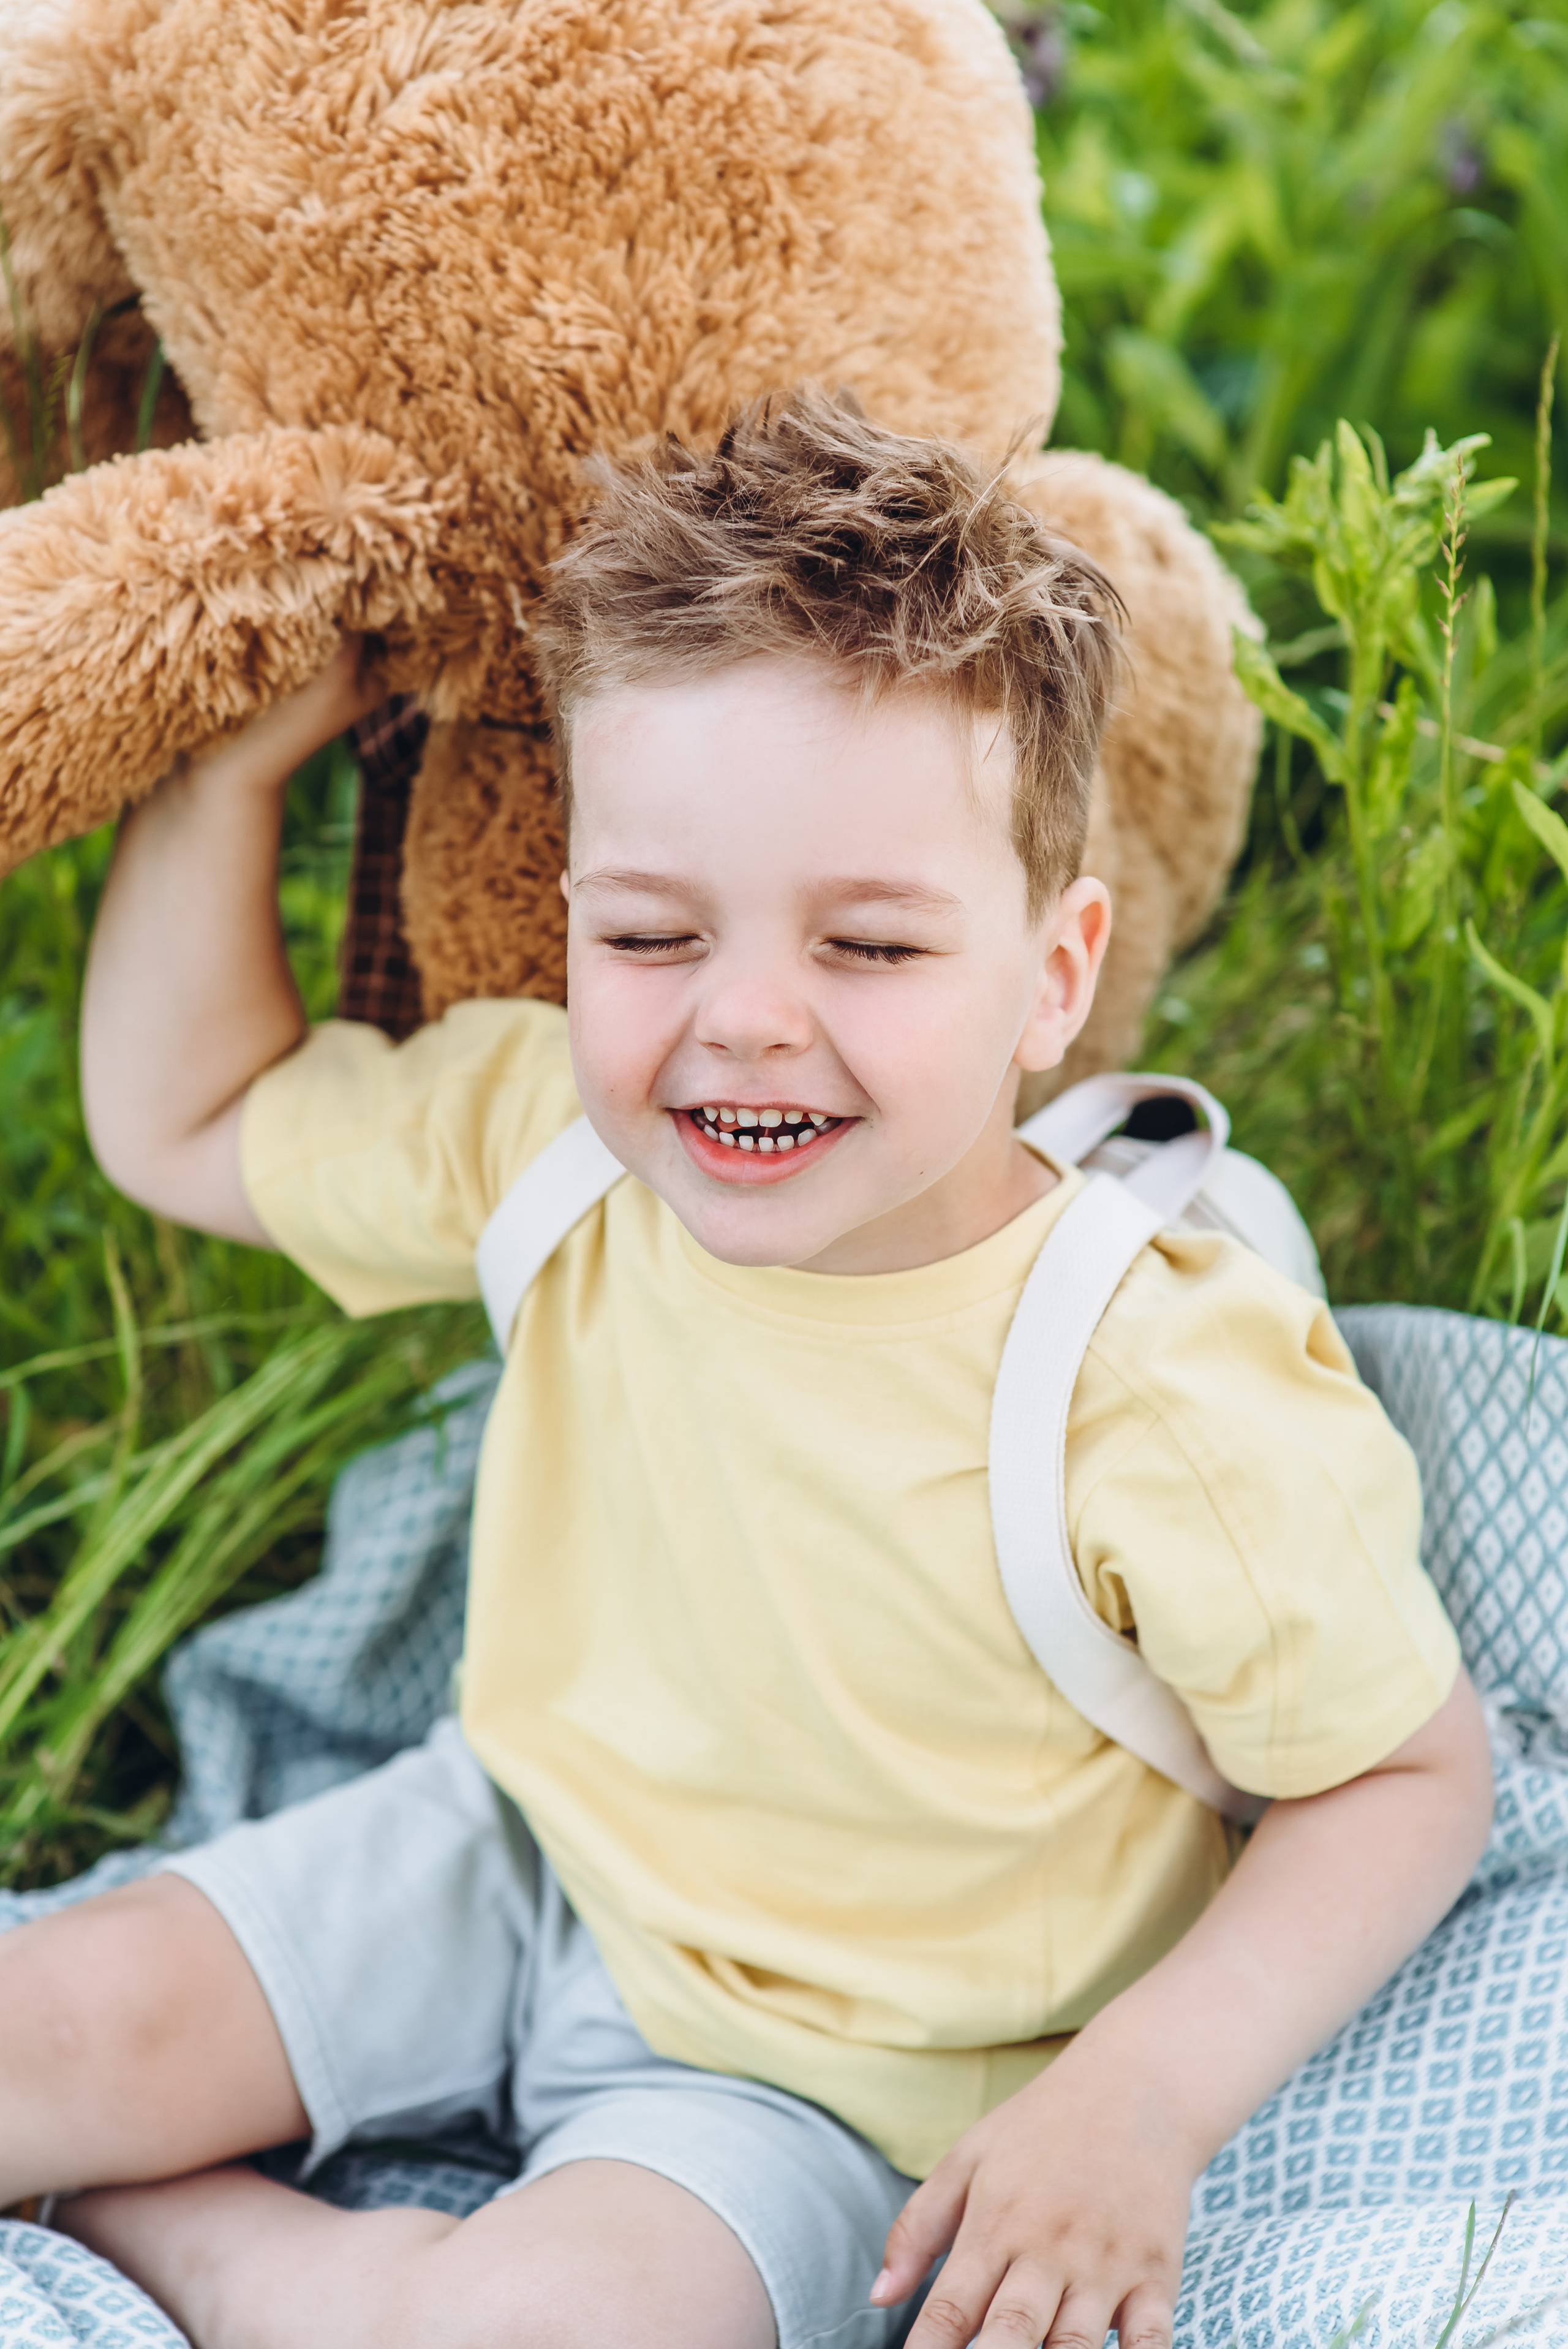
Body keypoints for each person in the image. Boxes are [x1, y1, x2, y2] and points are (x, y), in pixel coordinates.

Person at [0, 392, 1490, 2349]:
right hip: (519, 1848)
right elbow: (186, 1117)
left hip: (845, 2070)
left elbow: (1405, 1771)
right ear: (576, 922)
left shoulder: (1147, 1376)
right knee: (40, 2028)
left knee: (532, 2332)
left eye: (870, 946)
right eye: (653, 930)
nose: (747, 1021)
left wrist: (1135, 2097)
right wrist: (232, 778)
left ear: (1054, 972)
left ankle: (154, 2222)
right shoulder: (557, 1152)